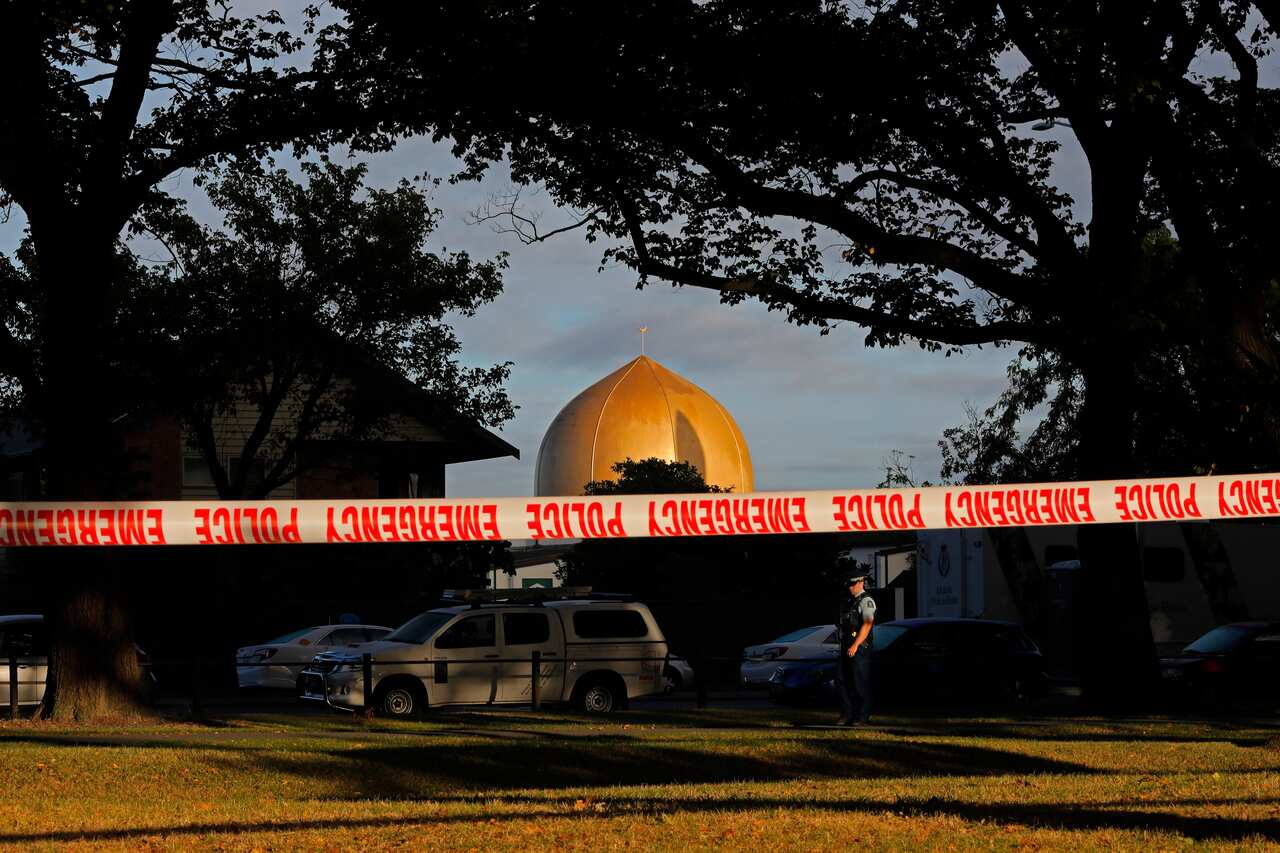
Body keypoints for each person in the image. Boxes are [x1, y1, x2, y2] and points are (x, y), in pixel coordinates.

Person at [836, 568, 876, 726]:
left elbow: (867, 625)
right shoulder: (849, 602)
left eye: (853, 584)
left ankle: (862, 716)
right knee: (842, 679)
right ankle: (847, 714)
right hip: (847, 645)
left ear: (861, 582)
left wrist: (855, 645)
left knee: (859, 682)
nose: (850, 587)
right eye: (848, 584)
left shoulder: (866, 601)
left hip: (859, 647)